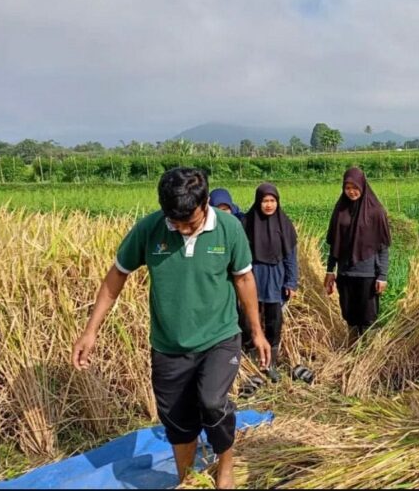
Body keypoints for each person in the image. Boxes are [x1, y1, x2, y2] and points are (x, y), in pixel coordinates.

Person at [71, 168, 271, 489]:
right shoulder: (150, 229)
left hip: (218, 337)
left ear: (205, 203)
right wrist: (90, 330)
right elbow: (116, 276)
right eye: (175, 222)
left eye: (189, 222)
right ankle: (187, 479)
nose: (182, 228)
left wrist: (257, 332)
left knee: (212, 402)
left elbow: (244, 278)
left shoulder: (229, 229)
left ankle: (225, 467)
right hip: (168, 345)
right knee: (178, 420)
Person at [239, 183, 298, 383]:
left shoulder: (284, 224)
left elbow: (290, 255)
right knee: (248, 318)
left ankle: (270, 362)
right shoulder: (247, 223)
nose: (269, 205)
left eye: (272, 201)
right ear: (258, 201)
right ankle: (251, 361)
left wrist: (291, 281)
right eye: (265, 201)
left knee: (274, 318)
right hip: (252, 275)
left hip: (275, 276)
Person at [324, 167, 391, 342]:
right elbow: (335, 245)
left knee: (368, 316)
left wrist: (382, 276)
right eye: (347, 188)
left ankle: (368, 354)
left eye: (355, 187)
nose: (351, 192)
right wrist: (330, 270)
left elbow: (383, 248)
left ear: (362, 186)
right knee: (349, 314)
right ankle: (353, 349)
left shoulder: (376, 212)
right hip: (345, 273)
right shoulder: (340, 211)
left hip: (368, 274)